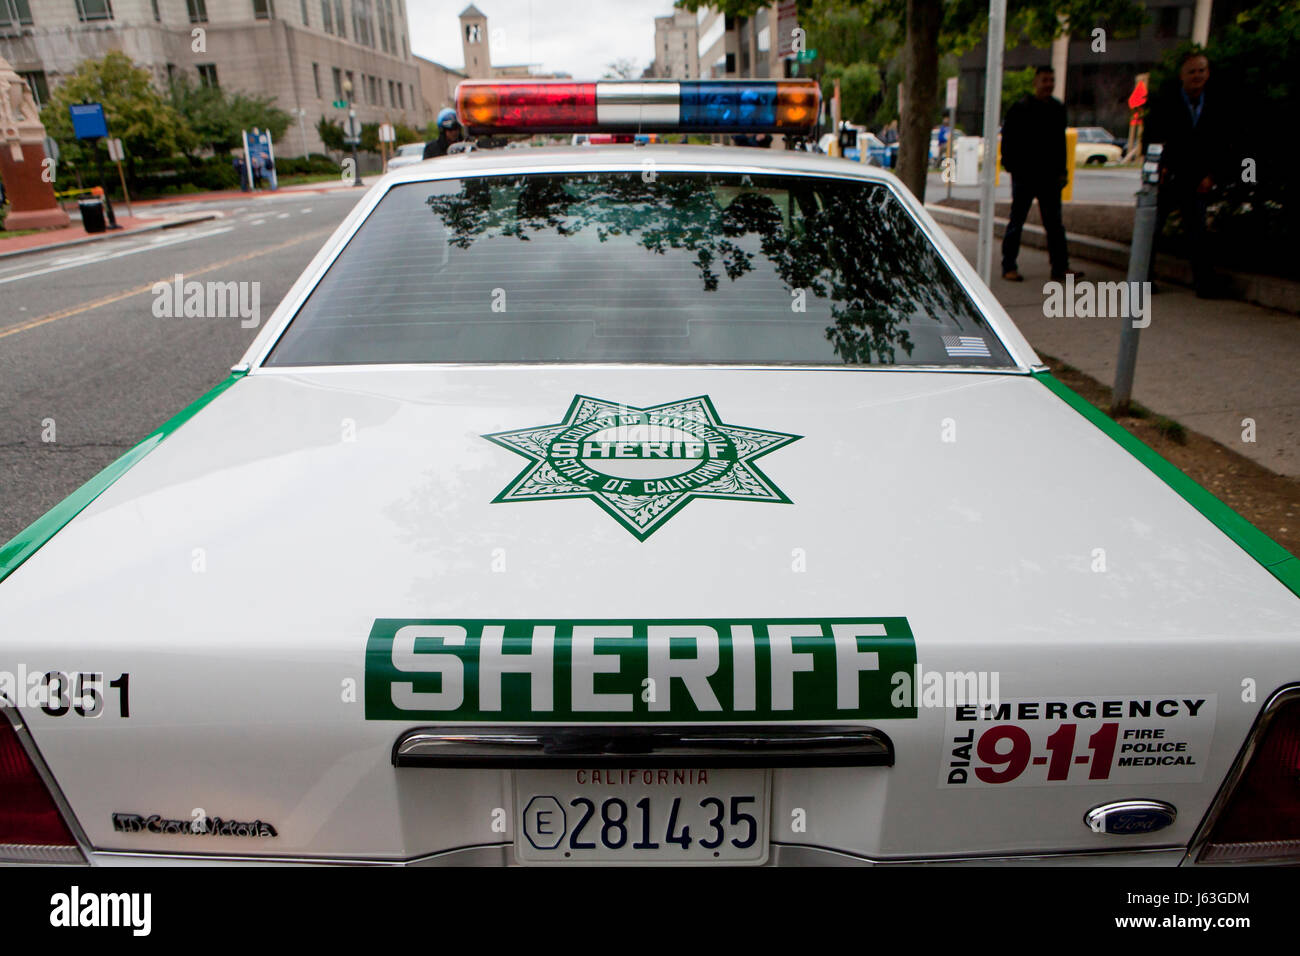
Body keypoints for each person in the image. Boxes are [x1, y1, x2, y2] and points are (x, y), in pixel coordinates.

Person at [1144, 50, 1226, 298]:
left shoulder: (1216, 105)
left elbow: (1222, 144)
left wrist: (1212, 176)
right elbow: (1151, 138)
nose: (1197, 76)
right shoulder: (1165, 103)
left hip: (1197, 179)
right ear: (1182, 76)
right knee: (1152, 231)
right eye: (1192, 71)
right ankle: (1144, 279)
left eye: (1201, 70)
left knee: (1197, 232)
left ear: (1208, 73)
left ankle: (1204, 283)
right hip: (1168, 177)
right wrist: (1156, 169)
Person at [999, 65, 1079, 283]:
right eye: (1045, 80)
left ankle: (1060, 268)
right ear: (1036, 82)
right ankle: (1009, 265)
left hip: (1050, 177)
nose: (1048, 85)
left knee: (1054, 224)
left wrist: (1062, 172)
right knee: (1017, 221)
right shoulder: (1021, 108)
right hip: (1025, 176)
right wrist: (1010, 165)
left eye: (1051, 80)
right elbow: (1008, 139)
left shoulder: (1057, 109)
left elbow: (1060, 144)